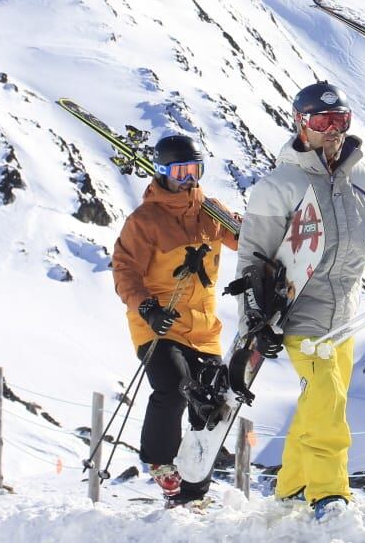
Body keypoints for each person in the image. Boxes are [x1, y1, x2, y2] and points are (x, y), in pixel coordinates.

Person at [236, 81, 365, 520]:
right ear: (301, 124)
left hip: (345, 316)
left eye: (339, 120)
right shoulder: (280, 184)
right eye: (321, 122)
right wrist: (255, 320)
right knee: (327, 398)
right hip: (299, 311)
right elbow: (254, 257)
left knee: (319, 401)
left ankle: (293, 487)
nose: (332, 131)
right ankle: (328, 493)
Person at [111, 133, 238, 506]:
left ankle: (195, 484)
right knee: (175, 386)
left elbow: (242, 237)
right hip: (159, 323)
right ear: (162, 172)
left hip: (203, 327)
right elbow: (124, 269)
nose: (188, 179)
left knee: (212, 403)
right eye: (180, 171)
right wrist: (146, 307)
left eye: (195, 170)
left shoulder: (210, 211)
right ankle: (161, 462)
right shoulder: (144, 220)